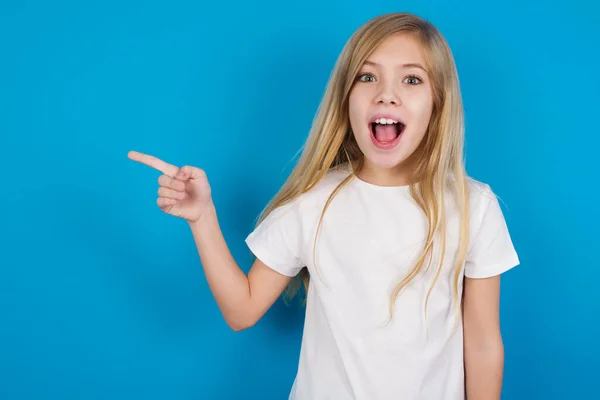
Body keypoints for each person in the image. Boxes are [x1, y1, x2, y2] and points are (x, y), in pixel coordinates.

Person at [128, 11, 519, 400]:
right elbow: (241, 310)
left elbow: (483, 345)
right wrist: (202, 217)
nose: (386, 92)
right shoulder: (314, 203)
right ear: (346, 98)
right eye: (368, 77)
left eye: (412, 79)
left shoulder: (474, 207)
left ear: (439, 101)